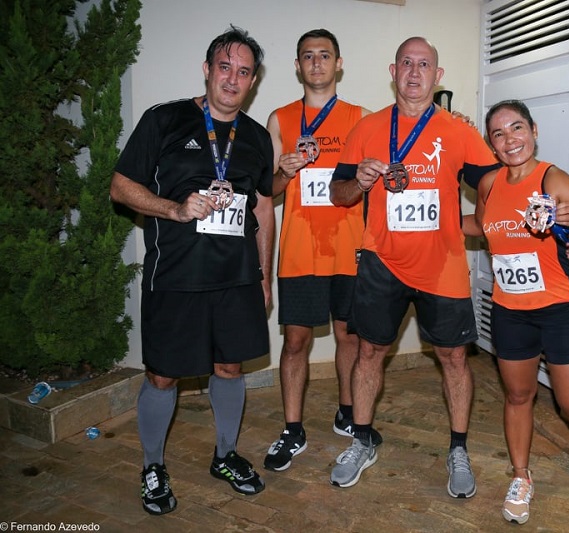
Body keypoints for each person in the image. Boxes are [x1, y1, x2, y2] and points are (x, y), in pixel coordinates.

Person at [109, 26, 273, 515]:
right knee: (163, 376)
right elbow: (121, 188)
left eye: (244, 71)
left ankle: (224, 455)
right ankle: (153, 465)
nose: (232, 78)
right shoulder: (165, 120)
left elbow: (263, 209)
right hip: (176, 277)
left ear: (253, 81)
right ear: (207, 70)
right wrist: (175, 209)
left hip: (238, 277)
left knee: (229, 367)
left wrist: (265, 272)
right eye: (225, 67)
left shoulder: (257, 137)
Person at [327, 36, 500, 498]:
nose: (415, 72)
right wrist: (358, 183)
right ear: (393, 70)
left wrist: (480, 224)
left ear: (437, 76)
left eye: (425, 64)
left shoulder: (458, 130)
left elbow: (493, 184)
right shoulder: (367, 127)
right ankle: (362, 441)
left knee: (454, 358)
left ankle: (458, 449)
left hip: (442, 266)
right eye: (407, 63)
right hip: (381, 262)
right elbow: (336, 194)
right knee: (368, 353)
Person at [470, 99, 569, 524]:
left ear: (533, 130)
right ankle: (521, 477)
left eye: (517, 128)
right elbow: (481, 226)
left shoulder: (555, 179)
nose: (510, 139)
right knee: (517, 395)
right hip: (510, 309)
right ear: (491, 144)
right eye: (499, 133)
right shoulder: (490, 184)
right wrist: (433, 224)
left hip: (559, 307)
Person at [262, 28, 382, 473]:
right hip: (299, 249)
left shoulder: (361, 117)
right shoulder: (281, 118)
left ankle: (347, 411)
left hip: (349, 247)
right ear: (297, 66)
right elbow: (267, 187)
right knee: (296, 340)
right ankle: (292, 428)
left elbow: (389, 164)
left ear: (339, 63)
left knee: (349, 335)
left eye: (324, 55)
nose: (316, 63)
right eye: (308, 56)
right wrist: (284, 172)